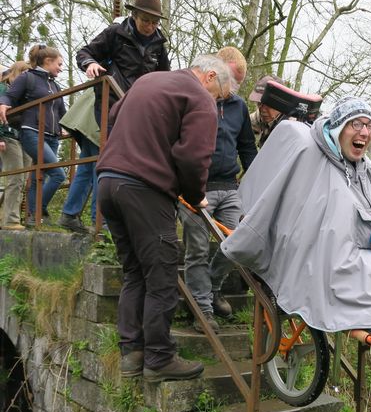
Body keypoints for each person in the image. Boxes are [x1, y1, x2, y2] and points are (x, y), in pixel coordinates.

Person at [221, 95, 371, 374]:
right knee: (370, 275)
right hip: (320, 251)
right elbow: (291, 206)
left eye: (369, 126)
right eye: (356, 124)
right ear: (339, 128)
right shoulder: (312, 155)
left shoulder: (364, 167)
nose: (364, 132)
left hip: (360, 245)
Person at [97, 55, 231, 382]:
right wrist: (195, 193)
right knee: (162, 274)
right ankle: (159, 357)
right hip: (145, 189)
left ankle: (133, 353)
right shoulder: (199, 97)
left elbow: (113, 116)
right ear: (210, 77)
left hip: (108, 182)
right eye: (219, 95)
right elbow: (194, 156)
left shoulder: (148, 80)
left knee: (135, 271)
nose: (215, 102)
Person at [180, 47, 257, 332]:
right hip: (196, 186)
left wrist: (257, 179)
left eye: (238, 83)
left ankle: (211, 287)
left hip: (229, 186)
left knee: (235, 245)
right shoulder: (194, 96)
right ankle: (202, 310)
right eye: (233, 80)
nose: (234, 88)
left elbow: (247, 146)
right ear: (217, 70)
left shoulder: (238, 108)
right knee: (197, 249)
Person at [76, 0, 170, 126]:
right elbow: (84, 53)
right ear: (134, 15)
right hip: (111, 104)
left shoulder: (159, 45)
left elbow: (165, 77)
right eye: (145, 20)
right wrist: (90, 63)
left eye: (155, 22)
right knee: (117, 144)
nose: (150, 27)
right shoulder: (115, 33)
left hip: (140, 108)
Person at [0, 45, 67, 225]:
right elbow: (9, 96)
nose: (61, 68)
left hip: (52, 136)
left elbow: (62, 111)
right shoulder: (27, 77)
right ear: (47, 61)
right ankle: (38, 210)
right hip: (32, 132)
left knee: (40, 176)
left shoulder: (54, 84)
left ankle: (31, 217)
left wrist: (66, 126)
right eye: (59, 64)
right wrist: (3, 104)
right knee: (59, 175)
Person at [58, 88, 101, 233]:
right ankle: (101, 222)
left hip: (84, 119)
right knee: (101, 169)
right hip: (96, 121)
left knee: (86, 170)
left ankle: (69, 214)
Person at [0, 62, 31, 230]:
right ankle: (11, 220)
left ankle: (4, 215)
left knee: (22, 179)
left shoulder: (22, 92)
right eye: (24, 73)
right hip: (7, 135)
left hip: (22, 137)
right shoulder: (3, 89)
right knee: (16, 178)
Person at [248, 75, 284, 147]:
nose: (262, 109)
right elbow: (242, 123)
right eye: (259, 103)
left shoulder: (291, 126)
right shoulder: (260, 115)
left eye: (268, 104)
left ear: (280, 103)